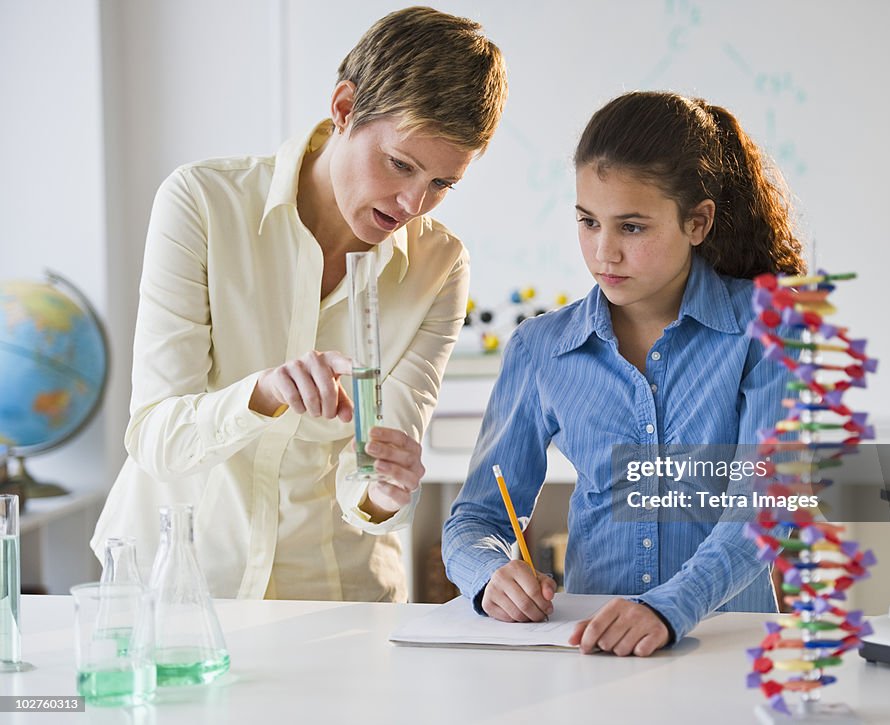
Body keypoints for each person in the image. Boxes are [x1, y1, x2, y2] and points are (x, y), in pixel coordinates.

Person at [92, 7, 508, 602]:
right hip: (177, 588)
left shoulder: (440, 267)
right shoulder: (203, 204)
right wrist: (260, 395)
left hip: (334, 600)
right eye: (400, 164)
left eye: (443, 184)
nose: (416, 202)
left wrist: (384, 491)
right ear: (344, 109)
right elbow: (157, 437)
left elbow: (375, 467)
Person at [442, 91, 805, 656]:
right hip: (597, 647)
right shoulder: (542, 349)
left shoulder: (766, 326)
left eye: (631, 227)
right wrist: (490, 575)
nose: (602, 252)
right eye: (588, 222)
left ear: (697, 222)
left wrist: (668, 608)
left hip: (731, 647)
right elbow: (476, 517)